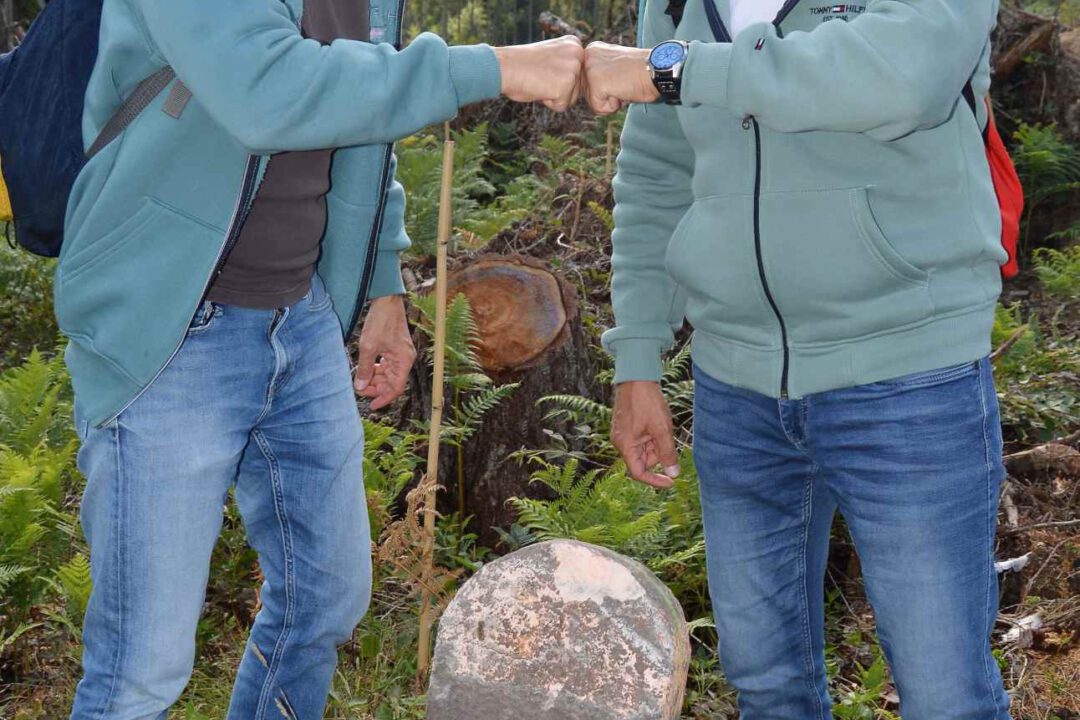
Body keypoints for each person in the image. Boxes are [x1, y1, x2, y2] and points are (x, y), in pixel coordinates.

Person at [62, 0, 583, 716]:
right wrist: (495, 66)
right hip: (173, 322)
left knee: (325, 599)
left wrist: (381, 286)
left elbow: (365, 113)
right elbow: (267, 91)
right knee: (140, 670)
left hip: (300, 319)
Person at [583, 0, 1012, 718]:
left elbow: (904, 72)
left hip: (908, 373)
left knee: (947, 697)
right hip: (735, 384)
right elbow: (656, 171)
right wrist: (638, 359)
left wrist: (684, 70)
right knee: (768, 687)